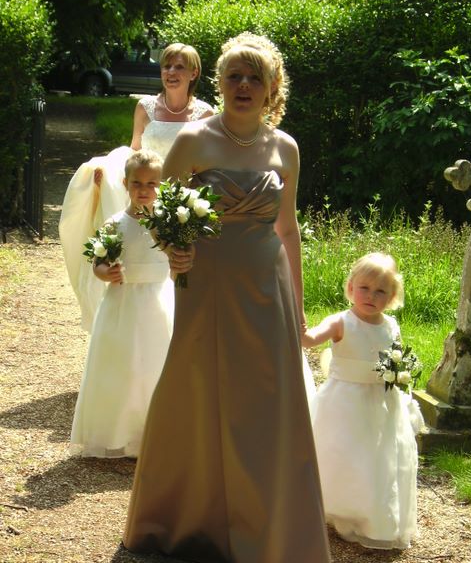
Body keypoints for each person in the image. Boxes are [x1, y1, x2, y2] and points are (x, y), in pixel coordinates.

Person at [122, 32, 331, 563]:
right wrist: (175, 249)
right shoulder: (194, 140)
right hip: (206, 283)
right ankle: (192, 518)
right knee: (196, 387)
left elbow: (288, 229)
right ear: (219, 82)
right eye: (234, 75)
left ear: (272, 88)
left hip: (267, 285)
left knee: (265, 398)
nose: (243, 85)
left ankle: (267, 522)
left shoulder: (286, 148)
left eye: (254, 77)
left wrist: (298, 305)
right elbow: (161, 210)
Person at [59, 43, 214, 332]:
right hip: (144, 197)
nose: (171, 72)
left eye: (179, 67)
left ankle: (175, 331)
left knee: (176, 271)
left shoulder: (205, 115)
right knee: (138, 265)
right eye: (166, 66)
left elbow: (206, 167)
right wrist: (107, 172)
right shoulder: (145, 108)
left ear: (194, 73)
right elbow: (134, 154)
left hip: (181, 205)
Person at [303, 252, 424, 550]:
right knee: (341, 453)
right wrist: (298, 324)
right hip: (343, 402)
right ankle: (336, 505)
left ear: (392, 296)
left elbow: (394, 358)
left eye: (381, 291)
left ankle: (370, 515)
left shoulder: (391, 325)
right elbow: (311, 339)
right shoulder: (340, 322)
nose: (371, 296)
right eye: (364, 288)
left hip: (381, 403)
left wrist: (400, 378)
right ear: (350, 288)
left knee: (376, 458)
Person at [70, 150, 174, 458]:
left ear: (161, 185)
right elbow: (98, 263)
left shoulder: (167, 223)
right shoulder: (114, 224)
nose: (144, 190)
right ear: (125, 184)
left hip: (159, 301)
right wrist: (106, 272)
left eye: (152, 183)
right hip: (123, 303)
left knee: (155, 365)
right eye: (137, 183)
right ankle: (120, 433)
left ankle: (154, 434)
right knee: (123, 365)